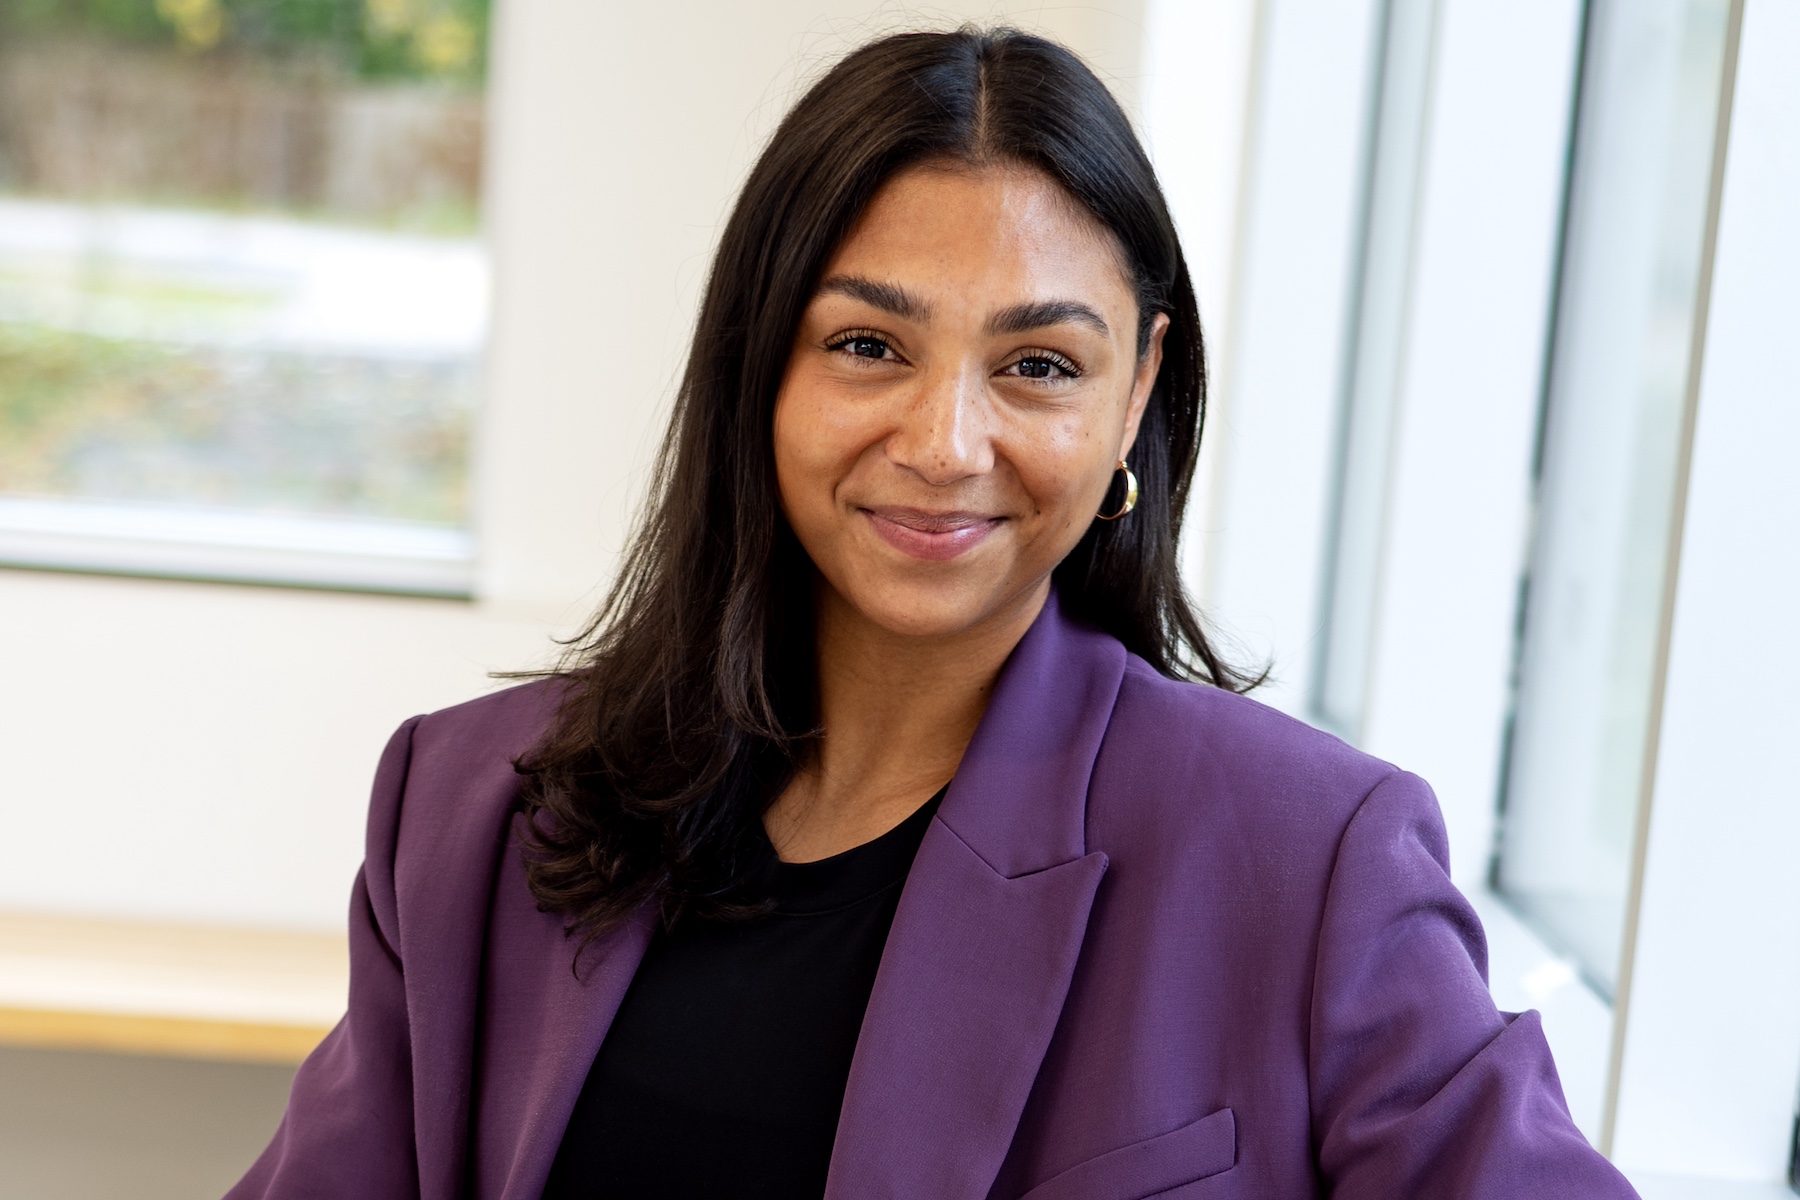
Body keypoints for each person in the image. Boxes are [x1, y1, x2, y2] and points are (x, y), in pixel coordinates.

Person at [230, 27, 1638, 1200]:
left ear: (1136, 393)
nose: (946, 440)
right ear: (756, 362)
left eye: (1035, 363)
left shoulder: (1311, 859)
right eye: (867, 346)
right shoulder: (474, 806)